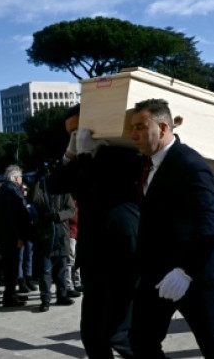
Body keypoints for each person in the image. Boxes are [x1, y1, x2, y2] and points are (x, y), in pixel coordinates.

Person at [127, 98, 214, 359]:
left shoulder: (190, 164)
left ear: (164, 128)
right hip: (157, 272)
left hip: (195, 273)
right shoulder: (148, 163)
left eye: (141, 127)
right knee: (141, 340)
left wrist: (185, 271)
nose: (134, 135)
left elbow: (209, 226)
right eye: (133, 128)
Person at [52, 104, 142, 359]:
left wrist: (85, 157)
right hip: (93, 255)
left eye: (77, 132)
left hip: (123, 254)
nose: (75, 137)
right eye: (70, 134)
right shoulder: (81, 157)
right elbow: (55, 184)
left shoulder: (124, 154)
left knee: (119, 334)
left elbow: (101, 191)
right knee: (91, 334)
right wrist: (70, 154)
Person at [28, 166, 77, 311]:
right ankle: (45, 299)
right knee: (45, 271)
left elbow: (71, 210)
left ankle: (62, 295)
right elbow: (32, 199)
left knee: (61, 269)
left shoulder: (64, 192)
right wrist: (36, 181)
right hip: (45, 237)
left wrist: (58, 216)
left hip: (62, 235)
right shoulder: (42, 190)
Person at [0, 164, 33, 308]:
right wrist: (20, 236)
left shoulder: (5, 189)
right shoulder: (11, 191)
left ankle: (10, 295)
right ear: (15, 177)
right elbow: (14, 217)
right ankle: (9, 297)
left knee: (11, 268)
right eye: (20, 176)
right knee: (12, 268)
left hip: (6, 235)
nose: (22, 179)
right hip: (11, 237)